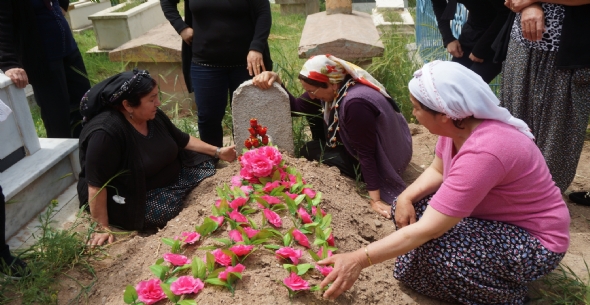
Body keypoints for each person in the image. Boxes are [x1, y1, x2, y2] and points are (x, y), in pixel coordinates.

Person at [317, 61, 570, 304]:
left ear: (445, 115)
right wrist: (404, 197)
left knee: (439, 254)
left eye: (417, 108)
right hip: (493, 220)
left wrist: (358, 259)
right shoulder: (457, 129)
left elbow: (431, 229)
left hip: (534, 241)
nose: (413, 116)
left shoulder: (486, 150)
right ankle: (460, 267)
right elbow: (439, 169)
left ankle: (506, 294)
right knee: (406, 209)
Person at [77, 70, 237, 247]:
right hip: (132, 193)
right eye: (152, 99)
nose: (158, 103)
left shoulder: (151, 114)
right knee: (164, 212)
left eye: (157, 97)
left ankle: (177, 189)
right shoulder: (105, 134)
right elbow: (96, 184)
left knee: (205, 159)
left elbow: (181, 139)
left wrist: (218, 151)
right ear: (128, 105)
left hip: (167, 175)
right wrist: (101, 227)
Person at [253, 55, 412, 219]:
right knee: (314, 113)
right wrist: (277, 80)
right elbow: (297, 108)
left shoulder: (355, 103)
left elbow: (366, 153)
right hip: (396, 151)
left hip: (386, 162)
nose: (312, 96)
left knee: (310, 150)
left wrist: (376, 200)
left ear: (332, 83)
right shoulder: (341, 85)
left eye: (311, 91)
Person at [500, 0, 590, 194]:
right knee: (514, 126)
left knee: (558, 136)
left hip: (570, 52)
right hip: (522, 45)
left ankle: (542, 200)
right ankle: (510, 192)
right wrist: (526, 5)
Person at [160, 0, 272, 148]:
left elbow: (263, 13)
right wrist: (181, 27)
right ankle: (212, 161)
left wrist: (257, 47)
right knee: (208, 118)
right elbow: (167, 2)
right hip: (205, 64)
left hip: (246, 64)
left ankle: (251, 162)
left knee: (249, 116)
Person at [0, 0, 91, 138]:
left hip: (68, 50)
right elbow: (2, 24)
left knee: (85, 104)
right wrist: (9, 63)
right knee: (57, 118)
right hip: (42, 60)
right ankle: (66, 157)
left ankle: (89, 148)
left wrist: (63, 5)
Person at [431, 0, 510, 83]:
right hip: (474, 28)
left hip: (501, 32)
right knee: (450, 81)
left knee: (469, 86)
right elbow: (439, 4)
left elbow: (505, 12)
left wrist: (481, 49)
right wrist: (448, 39)